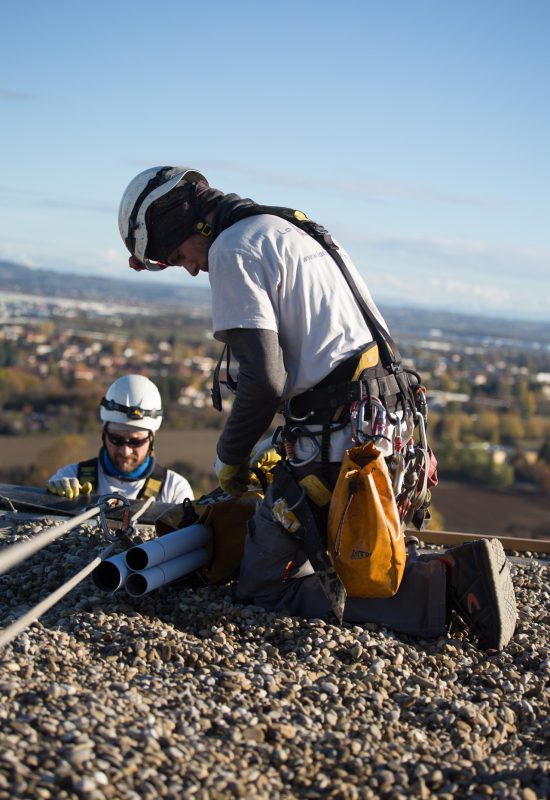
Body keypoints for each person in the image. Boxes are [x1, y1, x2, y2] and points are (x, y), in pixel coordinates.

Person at [117, 166, 517, 650]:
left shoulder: (231, 249)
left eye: (178, 255)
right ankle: (431, 578)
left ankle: (447, 583)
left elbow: (266, 380)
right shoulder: (290, 227)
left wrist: (230, 458)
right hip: (388, 425)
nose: (191, 268)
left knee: (264, 586)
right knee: (326, 549)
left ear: (182, 225)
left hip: (340, 440)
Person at [47, 374, 194, 504]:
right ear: (104, 434)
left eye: (136, 442)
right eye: (116, 439)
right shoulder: (71, 477)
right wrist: (53, 500)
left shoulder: (174, 490)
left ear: (152, 438)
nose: (125, 451)